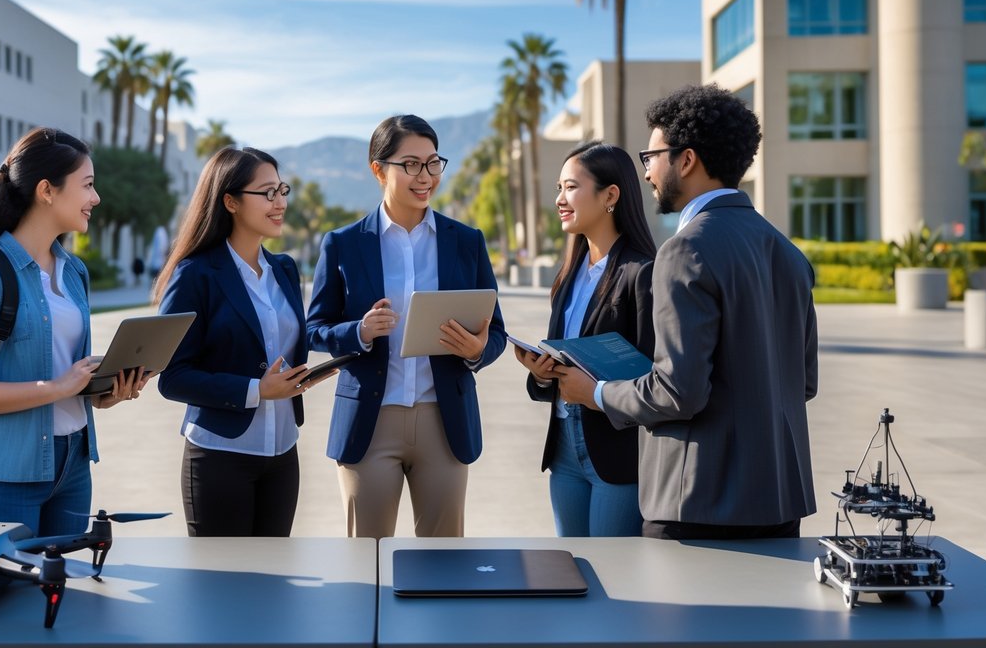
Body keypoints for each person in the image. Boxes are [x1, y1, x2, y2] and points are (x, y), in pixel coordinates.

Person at [590, 84, 818, 540]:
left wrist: (596, 393)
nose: (649, 171)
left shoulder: (684, 250)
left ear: (686, 159)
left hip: (696, 504)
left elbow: (678, 392)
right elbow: (804, 383)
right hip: (778, 499)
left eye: (651, 156)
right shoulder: (787, 252)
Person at [0, 128, 146, 536]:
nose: (95, 198)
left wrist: (105, 391)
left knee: (65, 594)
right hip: (2, 474)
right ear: (47, 190)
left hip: (73, 468)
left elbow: (68, 378)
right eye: (88, 185)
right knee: (2, 597)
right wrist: (56, 387)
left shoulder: (74, 272)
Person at [307, 114, 507, 538]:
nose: (426, 176)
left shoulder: (466, 241)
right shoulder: (343, 243)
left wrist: (475, 351)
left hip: (444, 421)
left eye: (433, 163)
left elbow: (497, 332)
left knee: (444, 561)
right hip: (369, 421)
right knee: (367, 557)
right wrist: (358, 332)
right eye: (411, 164)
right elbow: (315, 328)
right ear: (378, 169)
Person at [155, 147, 330, 536]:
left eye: (282, 190)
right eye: (267, 193)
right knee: (224, 588)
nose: (280, 202)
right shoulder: (196, 274)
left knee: (273, 584)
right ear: (230, 201)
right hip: (220, 457)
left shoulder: (284, 269)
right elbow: (172, 377)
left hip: (283, 453)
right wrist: (256, 389)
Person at [514, 141, 656, 536]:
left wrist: (595, 391)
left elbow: (655, 378)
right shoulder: (569, 273)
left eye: (571, 187)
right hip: (564, 448)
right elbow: (562, 362)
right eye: (559, 188)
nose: (560, 199)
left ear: (610, 195)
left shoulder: (641, 273)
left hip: (616, 452)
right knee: (572, 568)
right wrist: (543, 374)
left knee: (614, 578)